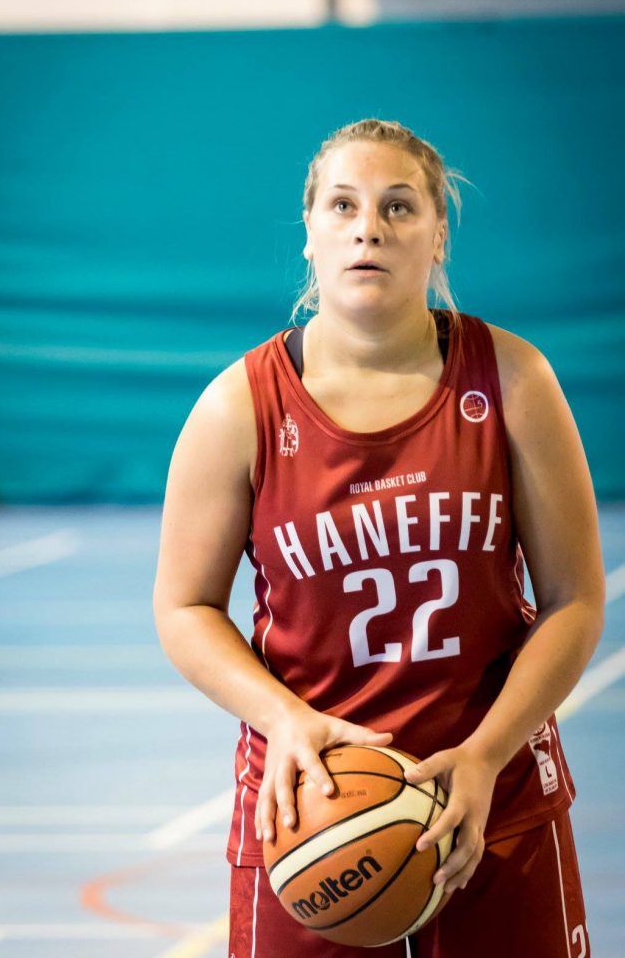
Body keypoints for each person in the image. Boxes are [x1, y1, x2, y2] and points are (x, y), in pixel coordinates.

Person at [152, 118, 604, 958]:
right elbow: (184, 606)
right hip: (311, 811)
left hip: (495, 794)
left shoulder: (513, 380)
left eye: (399, 206)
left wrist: (485, 755)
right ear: (310, 231)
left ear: (439, 235)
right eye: (343, 205)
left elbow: (574, 600)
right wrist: (283, 719)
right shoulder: (239, 407)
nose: (369, 228)